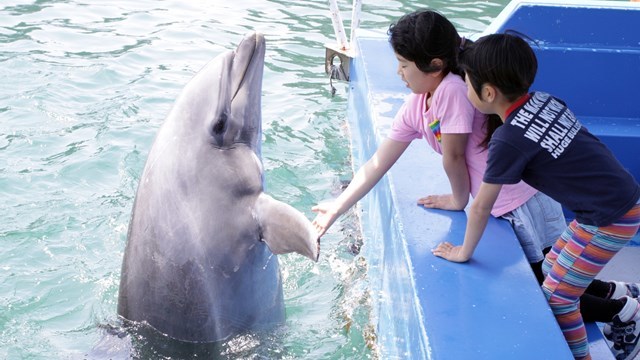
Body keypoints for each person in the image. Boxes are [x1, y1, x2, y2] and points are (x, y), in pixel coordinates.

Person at [433, 33, 640, 360]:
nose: (465, 89)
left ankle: (587, 352)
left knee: (557, 297)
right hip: (617, 201)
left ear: (488, 92)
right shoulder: (546, 100)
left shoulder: (508, 138)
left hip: (609, 219)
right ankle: (625, 301)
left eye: (468, 83)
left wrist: (463, 251)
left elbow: (482, 206)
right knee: (552, 264)